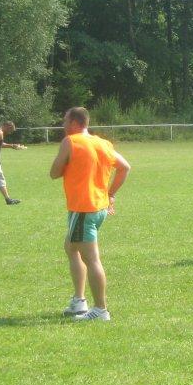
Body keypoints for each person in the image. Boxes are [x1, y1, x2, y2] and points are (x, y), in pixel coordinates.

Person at [50, 107, 130, 322]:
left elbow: (54, 173)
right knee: (71, 247)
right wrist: (110, 194)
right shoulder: (103, 143)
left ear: (74, 123)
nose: (63, 124)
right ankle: (79, 301)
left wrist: (66, 164)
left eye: (65, 120)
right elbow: (125, 167)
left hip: (83, 208)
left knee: (91, 258)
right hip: (98, 207)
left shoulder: (71, 141)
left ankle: (100, 310)